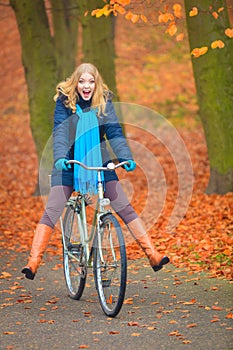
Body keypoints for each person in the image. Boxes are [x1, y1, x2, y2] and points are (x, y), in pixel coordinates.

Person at [22, 63, 169, 280]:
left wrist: (126, 157)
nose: (86, 85)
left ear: (96, 82)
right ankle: (33, 261)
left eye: (91, 81)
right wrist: (61, 157)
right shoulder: (65, 102)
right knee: (53, 208)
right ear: (75, 82)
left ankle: (153, 254)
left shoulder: (104, 101)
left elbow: (114, 131)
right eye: (82, 81)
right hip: (69, 160)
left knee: (123, 206)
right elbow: (61, 131)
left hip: (98, 158)